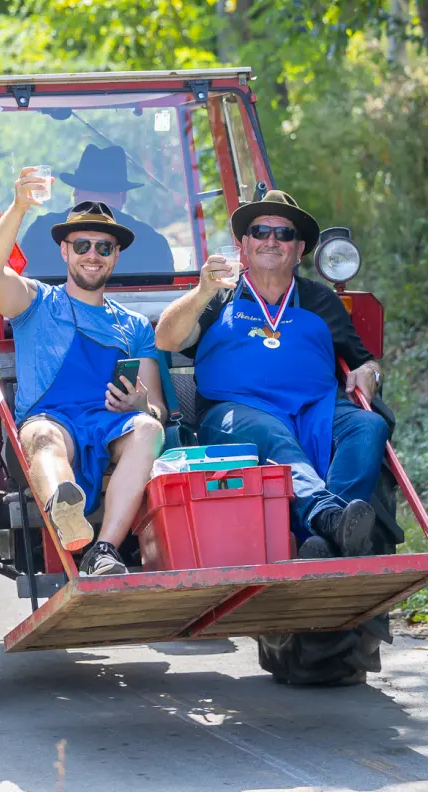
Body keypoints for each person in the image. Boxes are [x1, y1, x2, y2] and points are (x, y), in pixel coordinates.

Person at [154, 190, 389, 559]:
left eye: (284, 234)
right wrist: (201, 291)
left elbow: (363, 359)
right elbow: (166, 339)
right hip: (234, 412)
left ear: (299, 250)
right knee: (270, 432)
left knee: (369, 426)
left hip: (315, 409)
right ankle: (326, 515)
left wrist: (369, 371)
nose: (271, 240)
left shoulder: (321, 300)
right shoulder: (219, 296)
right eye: (261, 231)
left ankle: (328, 539)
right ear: (244, 244)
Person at [0, 171, 166, 575]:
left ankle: (103, 551)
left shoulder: (134, 325)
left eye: (103, 247)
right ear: (65, 251)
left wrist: (141, 405)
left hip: (109, 423)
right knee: (42, 437)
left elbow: (157, 410)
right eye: (82, 245)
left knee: (149, 431)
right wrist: (19, 207)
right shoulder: (35, 301)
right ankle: (66, 511)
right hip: (51, 419)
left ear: (115, 255)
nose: (92, 254)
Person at [20, 144, 175, 277]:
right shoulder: (153, 242)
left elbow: (17, 282)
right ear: (123, 197)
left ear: (76, 192)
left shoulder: (41, 230)